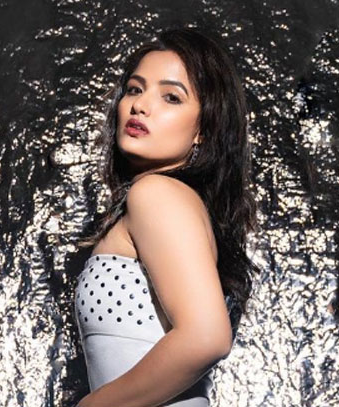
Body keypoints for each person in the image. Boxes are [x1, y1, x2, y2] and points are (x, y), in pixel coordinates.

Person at [73, 27, 260, 407]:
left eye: (171, 97)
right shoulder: (170, 200)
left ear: (204, 129)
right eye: (134, 89)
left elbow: (206, 337)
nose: (140, 105)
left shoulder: (156, 194)